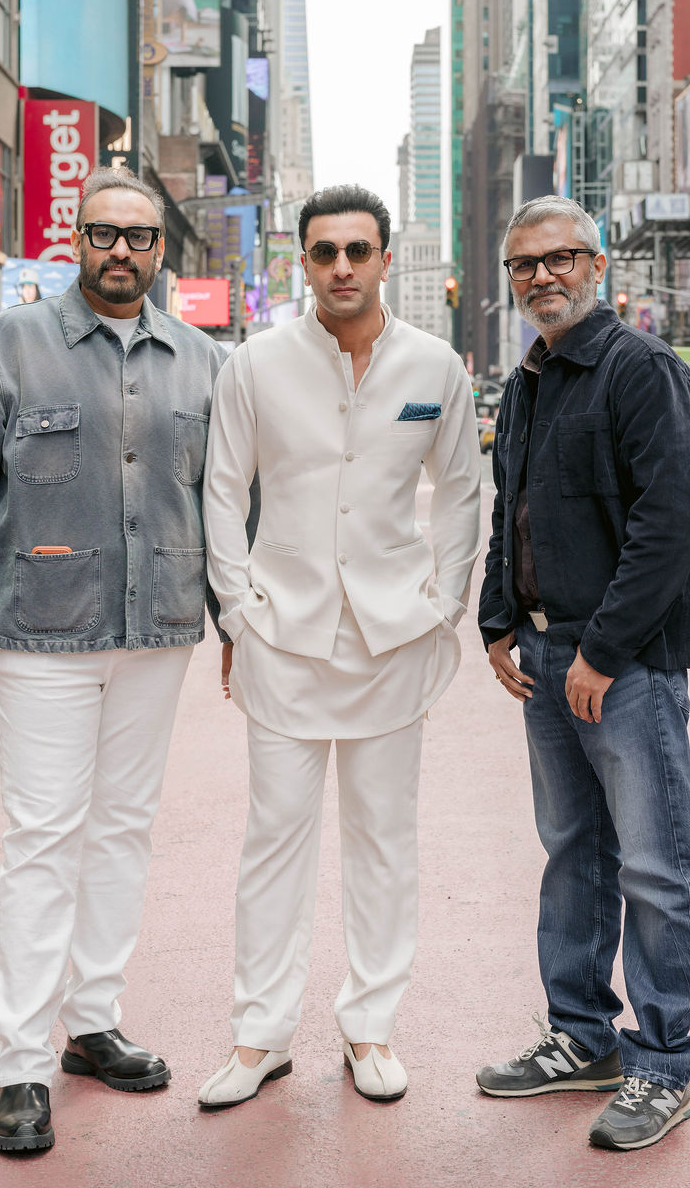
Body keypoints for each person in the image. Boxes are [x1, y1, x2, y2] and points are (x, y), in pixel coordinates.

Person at [0, 166, 225, 1157]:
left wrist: (240, 626)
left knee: (124, 829)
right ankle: (21, 1065)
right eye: (103, 233)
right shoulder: (13, 343)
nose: (121, 251)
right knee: (44, 837)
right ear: (76, 239)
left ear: (160, 250)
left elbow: (228, 503)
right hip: (39, 634)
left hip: (157, 632)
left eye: (138, 236)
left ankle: (93, 1022)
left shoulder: (201, 360)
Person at [200, 184, 482, 1110]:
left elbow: (461, 492)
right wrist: (238, 613)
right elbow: (222, 489)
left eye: (358, 250)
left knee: (384, 840)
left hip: (393, 638)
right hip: (283, 634)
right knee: (273, 839)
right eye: (325, 252)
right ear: (305, 262)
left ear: (385, 258)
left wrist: (443, 608)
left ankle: (371, 1026)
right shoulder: (255, 364)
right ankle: (260, 1035)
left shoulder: (435, 366)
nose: (342, 267)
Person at [476, 196, 690, 1152]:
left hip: (623, 664)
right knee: (573, 853)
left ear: (599, 263)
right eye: (524, 264)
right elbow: (513, 510)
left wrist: (601, 654)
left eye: (561, 257)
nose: (542, 276)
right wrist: (498, 620)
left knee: (657, 866)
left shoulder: (641, 369)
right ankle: (582, 1036)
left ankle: (662, 1066)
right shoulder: (528, 380)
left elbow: (668, 527)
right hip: (545, 656)